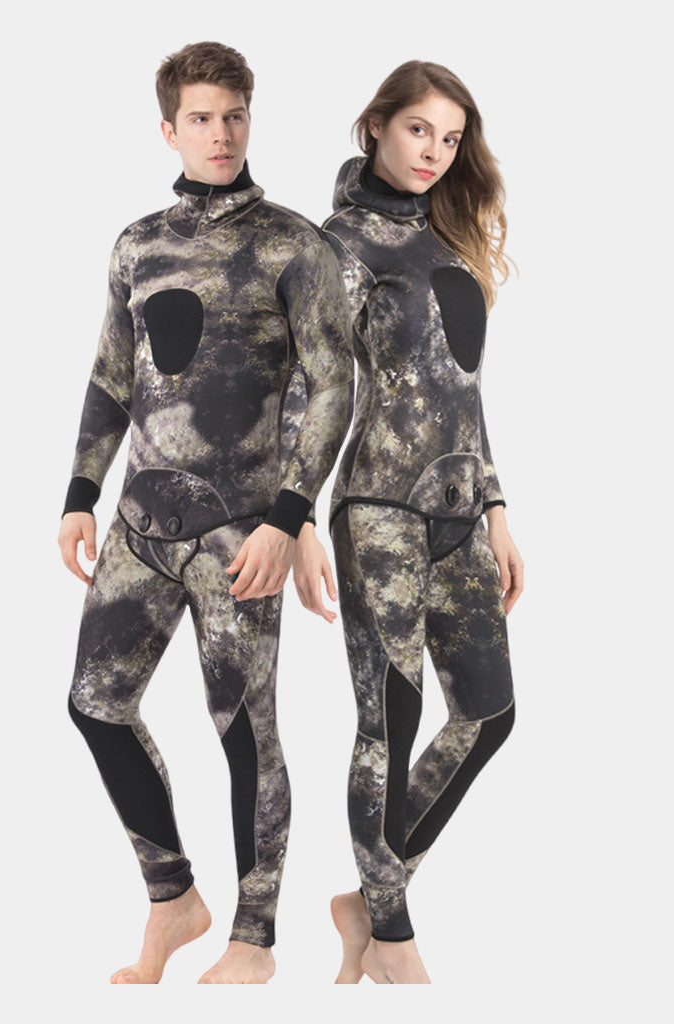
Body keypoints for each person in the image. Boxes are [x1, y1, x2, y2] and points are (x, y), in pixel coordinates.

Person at [58, 40, 353, 985]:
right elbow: (112, 376)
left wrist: (290, 518)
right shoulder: (135, 244)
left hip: (243, 534)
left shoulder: (295, 245)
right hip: (140, 526)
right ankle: (173, 899)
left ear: (249, 120)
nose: (219, 134)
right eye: (200, 118)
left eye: (233, 116)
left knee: (244, 728)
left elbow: (333, 384)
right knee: (95, 705)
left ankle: (253, 940)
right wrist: (78, 495)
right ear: (168, 129)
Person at [321, 60, 524, 984]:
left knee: (489, 714)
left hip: (457, 514)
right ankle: (394, 943)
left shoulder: (448, 240)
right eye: (418, 130)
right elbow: (312, 393)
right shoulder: (339, 245)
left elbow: (462, 393)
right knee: (390, 723)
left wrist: (497, 510)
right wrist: (293, 521)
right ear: (376, 125)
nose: (435, 152)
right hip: (378, 510)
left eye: (450, 138)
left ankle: (367, 898)